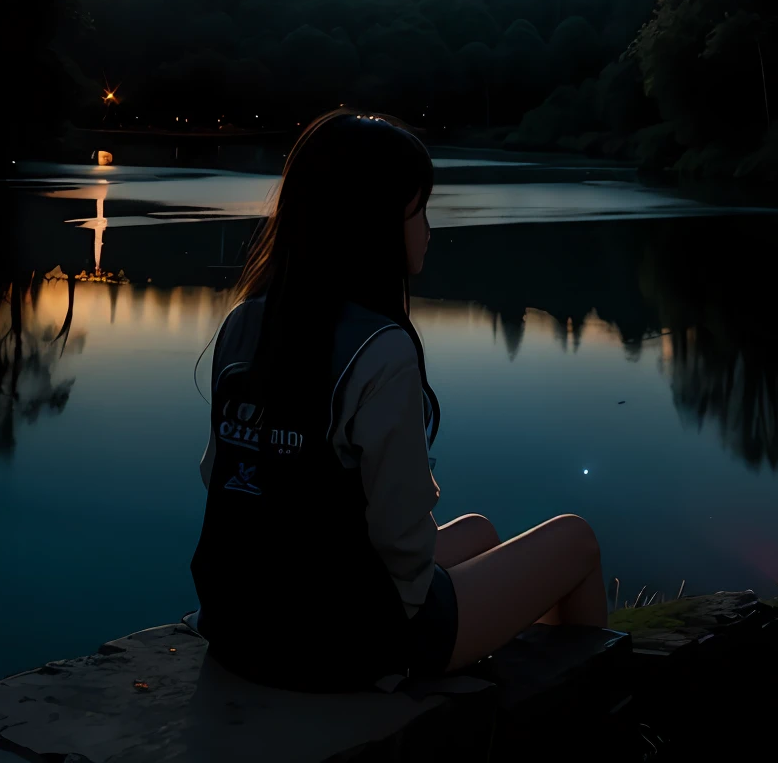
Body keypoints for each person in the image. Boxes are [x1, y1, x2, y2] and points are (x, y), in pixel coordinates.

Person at [191, 111, 607, 690]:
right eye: (419, 211)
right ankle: (588, 722)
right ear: (372, 224)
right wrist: (422, 619)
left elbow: (223, 480)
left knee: (481, 533)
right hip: (350, 642)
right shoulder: (379, 350)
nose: (428, 229)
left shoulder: (244, 323)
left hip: (239, 624)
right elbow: (400, 541)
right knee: (575, 539)